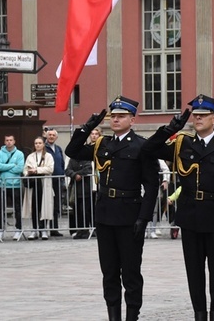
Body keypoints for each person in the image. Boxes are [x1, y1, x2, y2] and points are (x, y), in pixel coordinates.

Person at [140, 95, 214, 321]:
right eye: (195, 115)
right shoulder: (183, 143)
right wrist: (172, 127)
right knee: (194, 271)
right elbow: (148, 149)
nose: (198, 118)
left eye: (203, 115)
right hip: (190, 216)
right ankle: (199, 314)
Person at [65, 96, 160, 321]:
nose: (116, 120)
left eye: (121, 116)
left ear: (132, 119)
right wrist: (88, 126)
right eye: (113, 116)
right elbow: (72, 151)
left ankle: (132, 316)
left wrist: (143, 218)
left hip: (130, 216)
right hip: (106, 215)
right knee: (109, 273)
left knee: (131, 273)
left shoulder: (141, 146)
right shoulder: (102, 143)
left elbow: (151, 185)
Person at [22, 136, 54, 240]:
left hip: (44, 183)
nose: (38, 145)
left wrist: (36, 170)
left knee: (44, 206)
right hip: (33, 184)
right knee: (34, 206)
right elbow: (25, 170)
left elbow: (50, 169)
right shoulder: (30, 156)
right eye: (36, 143)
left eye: (40, 143)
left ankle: (43, 229)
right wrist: (29, 172)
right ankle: (34, 229)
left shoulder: (48, 156)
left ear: (43, 144)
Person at [0, 134, 24, 241]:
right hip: (2, 184)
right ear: (4, 141)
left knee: (17, 208)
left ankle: (18, 228)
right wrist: (13, 165)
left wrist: (5, 168)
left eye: (11, 140)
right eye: (7, 140)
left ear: (14, 141)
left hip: (15, 184)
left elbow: (20, 168)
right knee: (0, 208)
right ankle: (0, 230)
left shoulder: (19, 154)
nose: (9, 142)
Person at [66, 148, 93, 239]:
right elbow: (67, 170)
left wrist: (77, 174)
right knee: (77, 212)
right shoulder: (72, 160)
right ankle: (80, 230)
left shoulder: (87, 159)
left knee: (84, 211)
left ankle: (85, 230)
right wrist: (74, 175)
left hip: (86, 190)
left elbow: (88, 169)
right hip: (75, 191)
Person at [44, 128, 65, 237]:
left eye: (53, 135)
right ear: (46, 137)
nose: (51, 137)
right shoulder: (44, 148)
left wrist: (62, 174)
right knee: (45, 204)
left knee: (56, 204)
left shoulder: (58, 149)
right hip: (46, 180)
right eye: (49, 135)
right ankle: (42, 228)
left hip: (57, 179)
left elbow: (61, 162)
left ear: (56, 137)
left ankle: (54, 228)